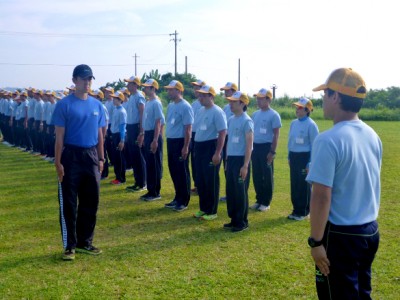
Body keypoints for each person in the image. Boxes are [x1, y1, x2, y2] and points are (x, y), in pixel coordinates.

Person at [306, 68, 382, 299]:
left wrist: (316, 242)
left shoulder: (328, 139)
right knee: (361, 293)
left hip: (341, 235)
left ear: (335, 97)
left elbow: (321, 196)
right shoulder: (372, 135)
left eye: (325, 94)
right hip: (369, 231)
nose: (322, 100)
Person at [52, 64, 106, 261]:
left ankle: (85, 242)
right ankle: (70, 245)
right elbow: (59, 137)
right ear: (74, 80)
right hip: (71, 156)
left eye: (90, 79)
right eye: (84, 79)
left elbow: (100, 135)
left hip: (91, 156)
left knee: (91, 200)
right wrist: (58, 163)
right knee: (69, 201)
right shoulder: (64, 104)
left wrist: (101, 158)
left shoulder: (97, 106)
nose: (87, 82)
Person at [192, 85, 227, 220]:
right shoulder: (200, 110)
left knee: (210, 179)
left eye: (204, 95)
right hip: (199, 147)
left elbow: (222, 132)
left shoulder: (217, 112)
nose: (201, 98)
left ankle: (212, 211)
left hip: (211, 147)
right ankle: (203, 208)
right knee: (200, 180)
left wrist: (218, 153)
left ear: (211, 96)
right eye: (200, 95)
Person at [224, 91, 254, 232]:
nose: (230, 104)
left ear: (242, 103)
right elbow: (229, 142)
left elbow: (249, 145)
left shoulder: (247, 121)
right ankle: (234, 219)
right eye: (230, 102)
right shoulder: (231, 119)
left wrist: (245, 165)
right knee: (231, 190)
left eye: (234, 102)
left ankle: (242, 221)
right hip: (231, 159)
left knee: (240, 191)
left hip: (241, 159)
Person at [164, 80, 194, 212]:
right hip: (171, 141)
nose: (168, 91)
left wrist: (186, 146)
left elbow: (188, 128)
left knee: (182, 171)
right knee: (173, 170)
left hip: (180, 142)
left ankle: (184, 200)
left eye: (171, 89)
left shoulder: (185, 106)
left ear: (179, 90)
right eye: (168, 89)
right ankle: (177, 197)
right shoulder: (171, 105)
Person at [250, 88, 281, 212]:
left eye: (261, 98)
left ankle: (266, 202)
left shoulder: (274, 115)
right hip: (255, 147)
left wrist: (272, 152)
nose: (258, 101)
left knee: (267, 175)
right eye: (257, 98)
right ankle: (259, 199)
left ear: (268, 99)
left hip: (266, 147)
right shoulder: (255, 114)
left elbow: (276, 135)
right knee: (257, 175)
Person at [287, 97, 319, 220]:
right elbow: (291, 141)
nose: (297, 110)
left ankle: (304, 212)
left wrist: (310, 162)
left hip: (305, 157)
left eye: (300, 108)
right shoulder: (293, 123)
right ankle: (296, 209)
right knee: (294, 184)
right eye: (296, 107)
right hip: (294, 157)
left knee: (303, 185)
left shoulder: (311, 125)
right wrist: (289, 156)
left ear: (307, 110)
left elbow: (314, 145)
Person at [140, 79, 165, 201]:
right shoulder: (148, 102)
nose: (145, 89)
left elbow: (158, 122)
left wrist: (155, 140)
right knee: (149, 164)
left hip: (154, 134)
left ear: (153, 88)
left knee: (154, 164)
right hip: (148, 134)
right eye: (144, 87)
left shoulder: (156, 103)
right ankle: (150, 190)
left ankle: (155, 192)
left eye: (147, 87)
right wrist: (144, 135)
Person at [124, 76, 147, 192]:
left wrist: (141, 132)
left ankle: (142, 182)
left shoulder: (139, 96)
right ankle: (137, 181)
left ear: (135, 85)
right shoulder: (132, 97)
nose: (127, 86)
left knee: (139, 156)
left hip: (137, 127)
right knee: (133, 156)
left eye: (130, 84)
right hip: (130, 127)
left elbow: (142, 113)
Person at [219, 82, 238, 202]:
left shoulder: (237, 107)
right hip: (225, 139)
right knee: (227, 168)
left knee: (235, 168)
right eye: (225, 91)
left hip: (234, 140)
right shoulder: (226, 108)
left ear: (234, 92)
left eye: (228, 91)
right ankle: (229, 193)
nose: (225, 93)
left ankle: (236, 193)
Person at [189, 79, 206, 195]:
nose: (195, 90)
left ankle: (202, 185)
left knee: (201, 162)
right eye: (195, 87)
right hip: (193, 135)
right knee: (194, 161)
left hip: (203, 136)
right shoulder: (194, 104)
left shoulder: (205, 104)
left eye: (198, 87)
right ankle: (197, 184)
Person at [109, 91, 127, 185]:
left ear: (120, 100)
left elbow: (122, 126)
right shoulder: (116, 109)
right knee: (116, 157)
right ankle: (117, 177)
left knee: (120, 158)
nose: (113, 100)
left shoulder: (122, 111)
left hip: (119, 136)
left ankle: (121, 178)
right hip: (114, 135)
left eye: (115, 98)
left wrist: (122, 140)